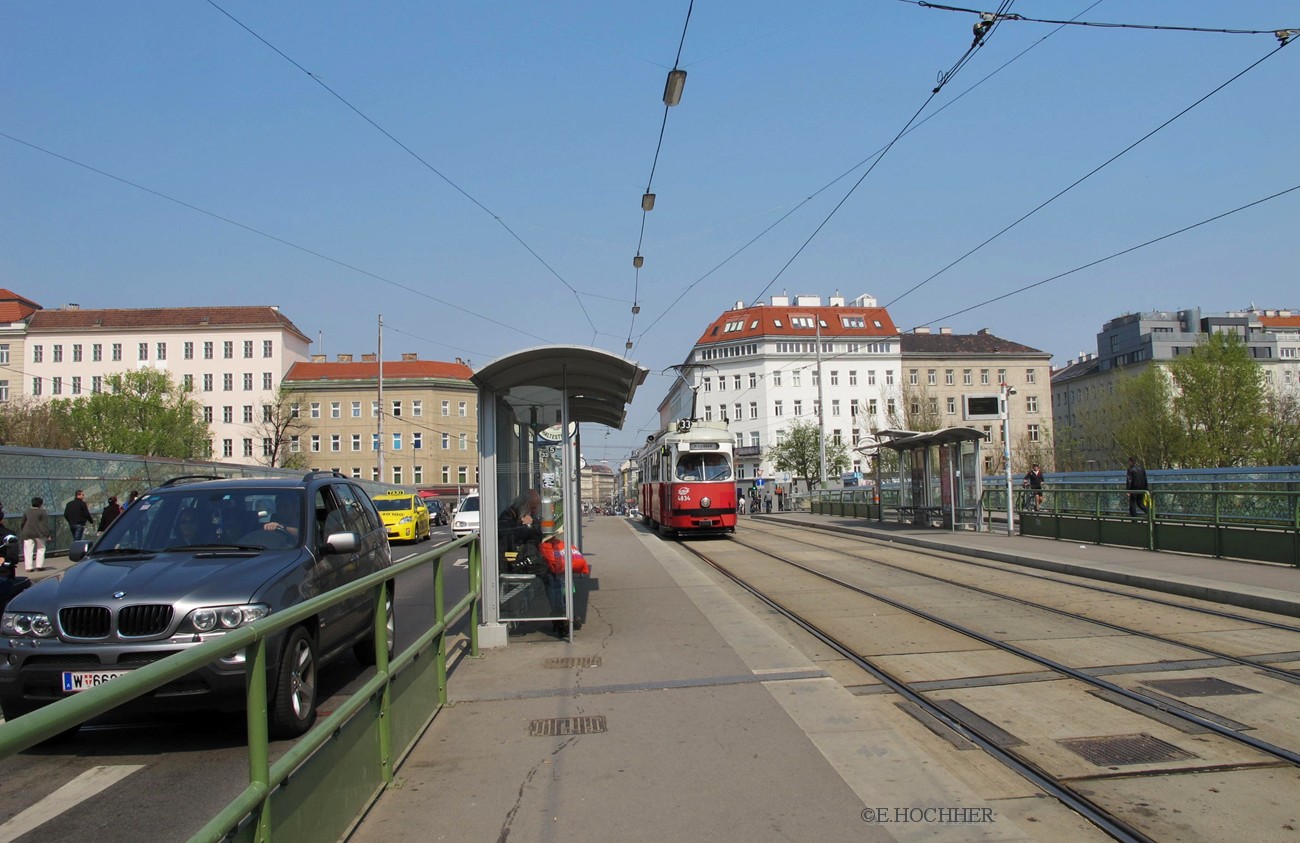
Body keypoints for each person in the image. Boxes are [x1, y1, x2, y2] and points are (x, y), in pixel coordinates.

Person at [19, 497, 51, 573]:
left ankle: (29, 567)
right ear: (40, 504)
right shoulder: (43, 512)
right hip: (40, 533)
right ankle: (39, 566)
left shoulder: (27, 512)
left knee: (28, 550)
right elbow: (45, 524)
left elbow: (23, 522)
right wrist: (48, 534)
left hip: (27, 532)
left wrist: (23, 529)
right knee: (41, 549)